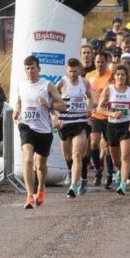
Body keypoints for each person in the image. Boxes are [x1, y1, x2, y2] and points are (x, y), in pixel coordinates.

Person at [13, 55, 66, 209]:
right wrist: (16, 112)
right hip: (26, 126)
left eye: (33, 68)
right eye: (27, 69)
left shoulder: (47, 85)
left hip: (43, 130)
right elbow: (19, 102)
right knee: (28, 158)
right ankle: (30, 195)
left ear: (39, 69)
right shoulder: (21, 85)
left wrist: (49, 104)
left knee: (41, 164)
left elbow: (62, 105)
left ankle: (41, 187)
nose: (30, 71)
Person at [96, 64, 130, 196]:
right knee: (116, 159)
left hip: (126, 126)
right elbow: (99, 109)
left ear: (127, 76)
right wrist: (111, 114)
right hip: (112, 126)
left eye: (123, 75)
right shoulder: (109, 89)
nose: (120, 77)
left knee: (125, 156)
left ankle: (123, 184)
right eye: (118, 74)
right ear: (115, 76)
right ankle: (120, 171)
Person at [57, 58, 93, 197]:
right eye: (70, 71)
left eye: (75, 71)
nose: (72, 74)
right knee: (67, 156)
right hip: (65, 123)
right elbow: (52, 97)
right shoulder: (62, 82)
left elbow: (90, 98)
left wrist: (89, 108)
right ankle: (73, 172)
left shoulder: (84, 82)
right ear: (67, 70)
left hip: (80, 122)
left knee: (77, 153)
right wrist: (55, 117)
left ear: (79, 69)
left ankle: (74, 185)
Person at [86, 51, 114, 188]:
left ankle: (109, 174)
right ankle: (98, 171)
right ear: (94, 62)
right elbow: (87, 95)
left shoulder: (112, 75)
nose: (100, 64)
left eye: (102, 62)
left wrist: (107, 90)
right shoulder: (89, 76)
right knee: (93, 143)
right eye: (97, 62)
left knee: (108, 147)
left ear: (106, 62)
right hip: (95, 114)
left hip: (108, 115)